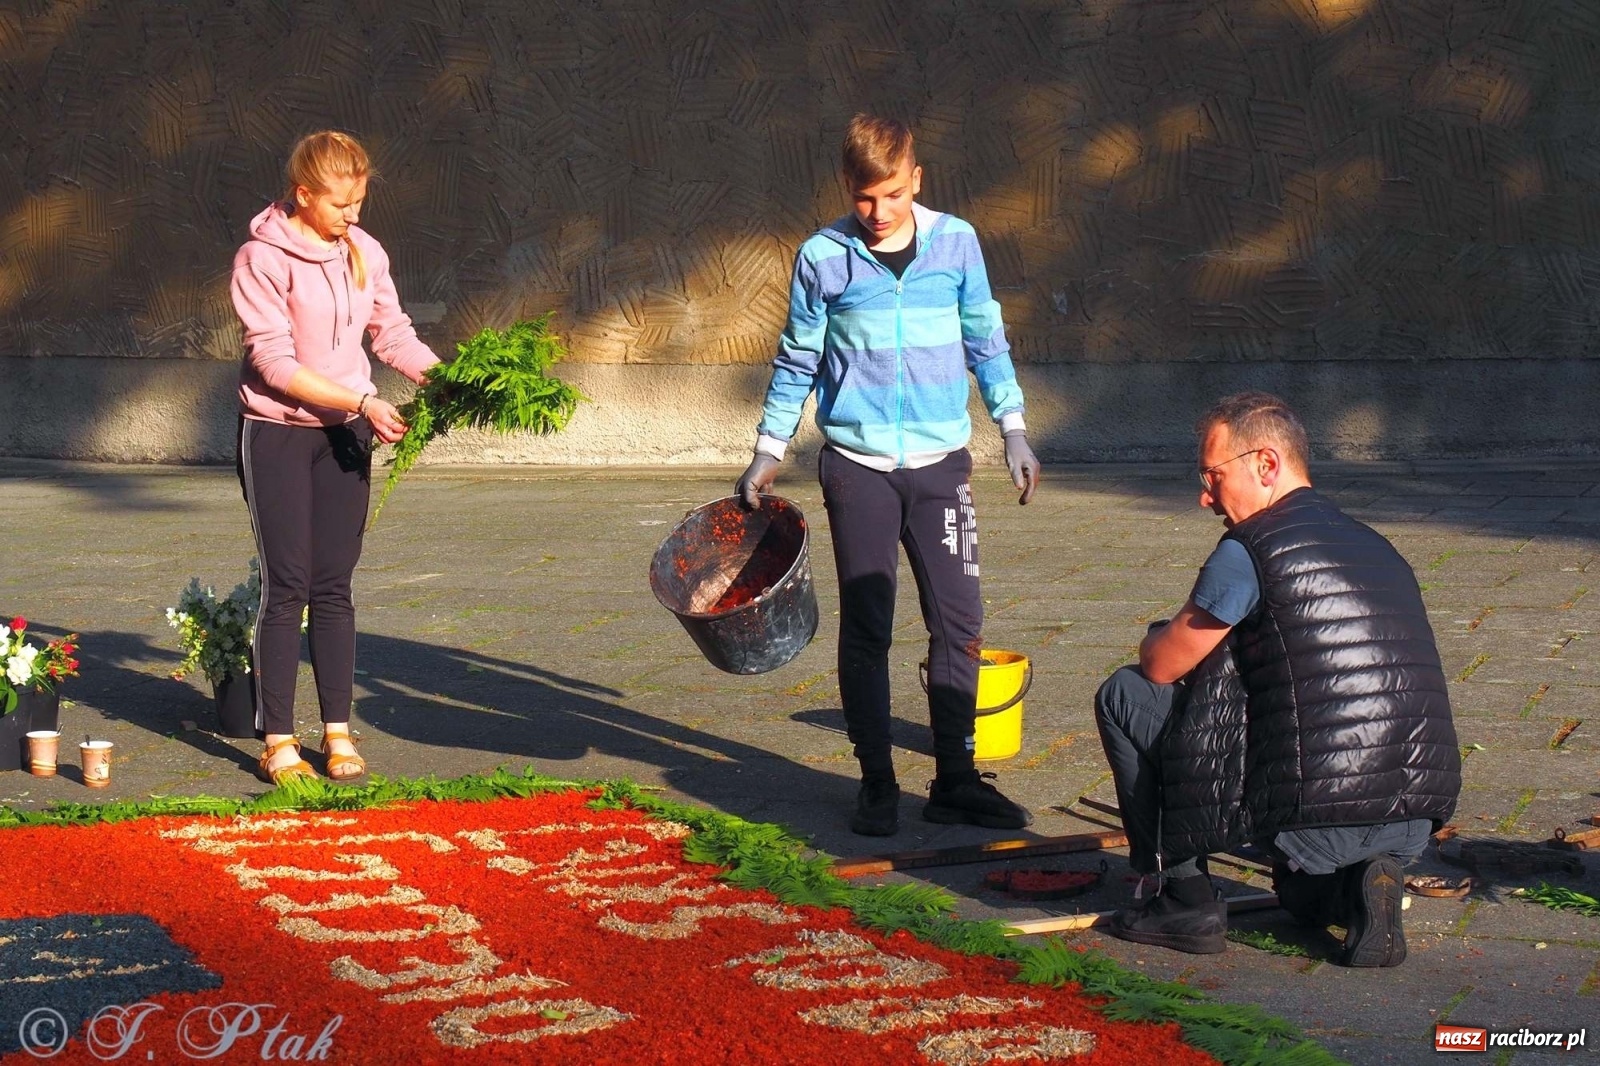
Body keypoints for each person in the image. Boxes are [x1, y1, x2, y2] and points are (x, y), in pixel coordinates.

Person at [736, 113, 1042, 837]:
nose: (878, 213)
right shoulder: (823, 256)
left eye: (894, 196)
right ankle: (877, 782)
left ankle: (957, 779)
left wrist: (1015, 430)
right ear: (848, 187)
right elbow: (797, 359)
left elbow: (986, 340)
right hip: (858, 469)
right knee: (869, 627)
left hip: (941, 465)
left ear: (917, 181)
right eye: (864, 197)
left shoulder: (957, 244)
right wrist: (770, 447)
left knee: (959, 625)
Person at [1093, 391, 1460, 964]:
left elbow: (1163, 664)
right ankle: (1359, 887)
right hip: (1413, 809)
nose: (1204, 496)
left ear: (1266, 464)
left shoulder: (1252, 549)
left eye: (1212, 475)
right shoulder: (1376, 545)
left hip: (1314, 805)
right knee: (1295, 893)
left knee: (1125, 692)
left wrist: (1157, 634)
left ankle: (1181, 896)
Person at [231, 130, 441, 786]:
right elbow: (273, 362)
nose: (354, 216)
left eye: (360, 203)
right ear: (304, 195)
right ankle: (278, 740)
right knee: (287, 583)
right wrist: (361, 399)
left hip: (346, 435)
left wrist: (449, 379)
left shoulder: (363, 251)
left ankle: (339, 732)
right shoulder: (260, 259)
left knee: (335, 586)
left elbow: (392, 332)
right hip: (279, 435)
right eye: (342, 205)